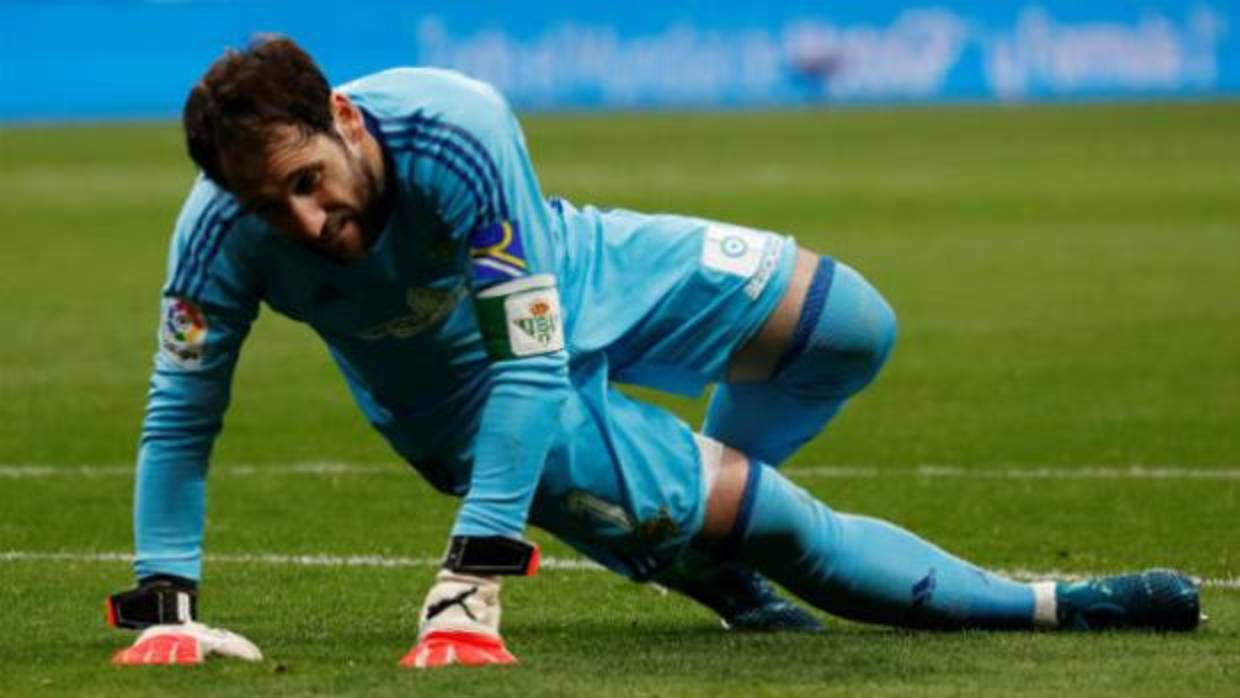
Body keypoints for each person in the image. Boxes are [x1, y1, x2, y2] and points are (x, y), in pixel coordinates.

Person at [107, 36, 1202, 668]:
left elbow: (530, 345)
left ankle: (699, 531)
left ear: (344, 119)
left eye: (306, 183)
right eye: (267, 204)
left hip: (571, 269)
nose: (300, 225)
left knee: (853, 323)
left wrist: (469, 572)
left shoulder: (454, 129)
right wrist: (168, 600)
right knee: (785, 530)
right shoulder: (218, 238)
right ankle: (1056, 600)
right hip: (462, 407)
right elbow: (179, 418)